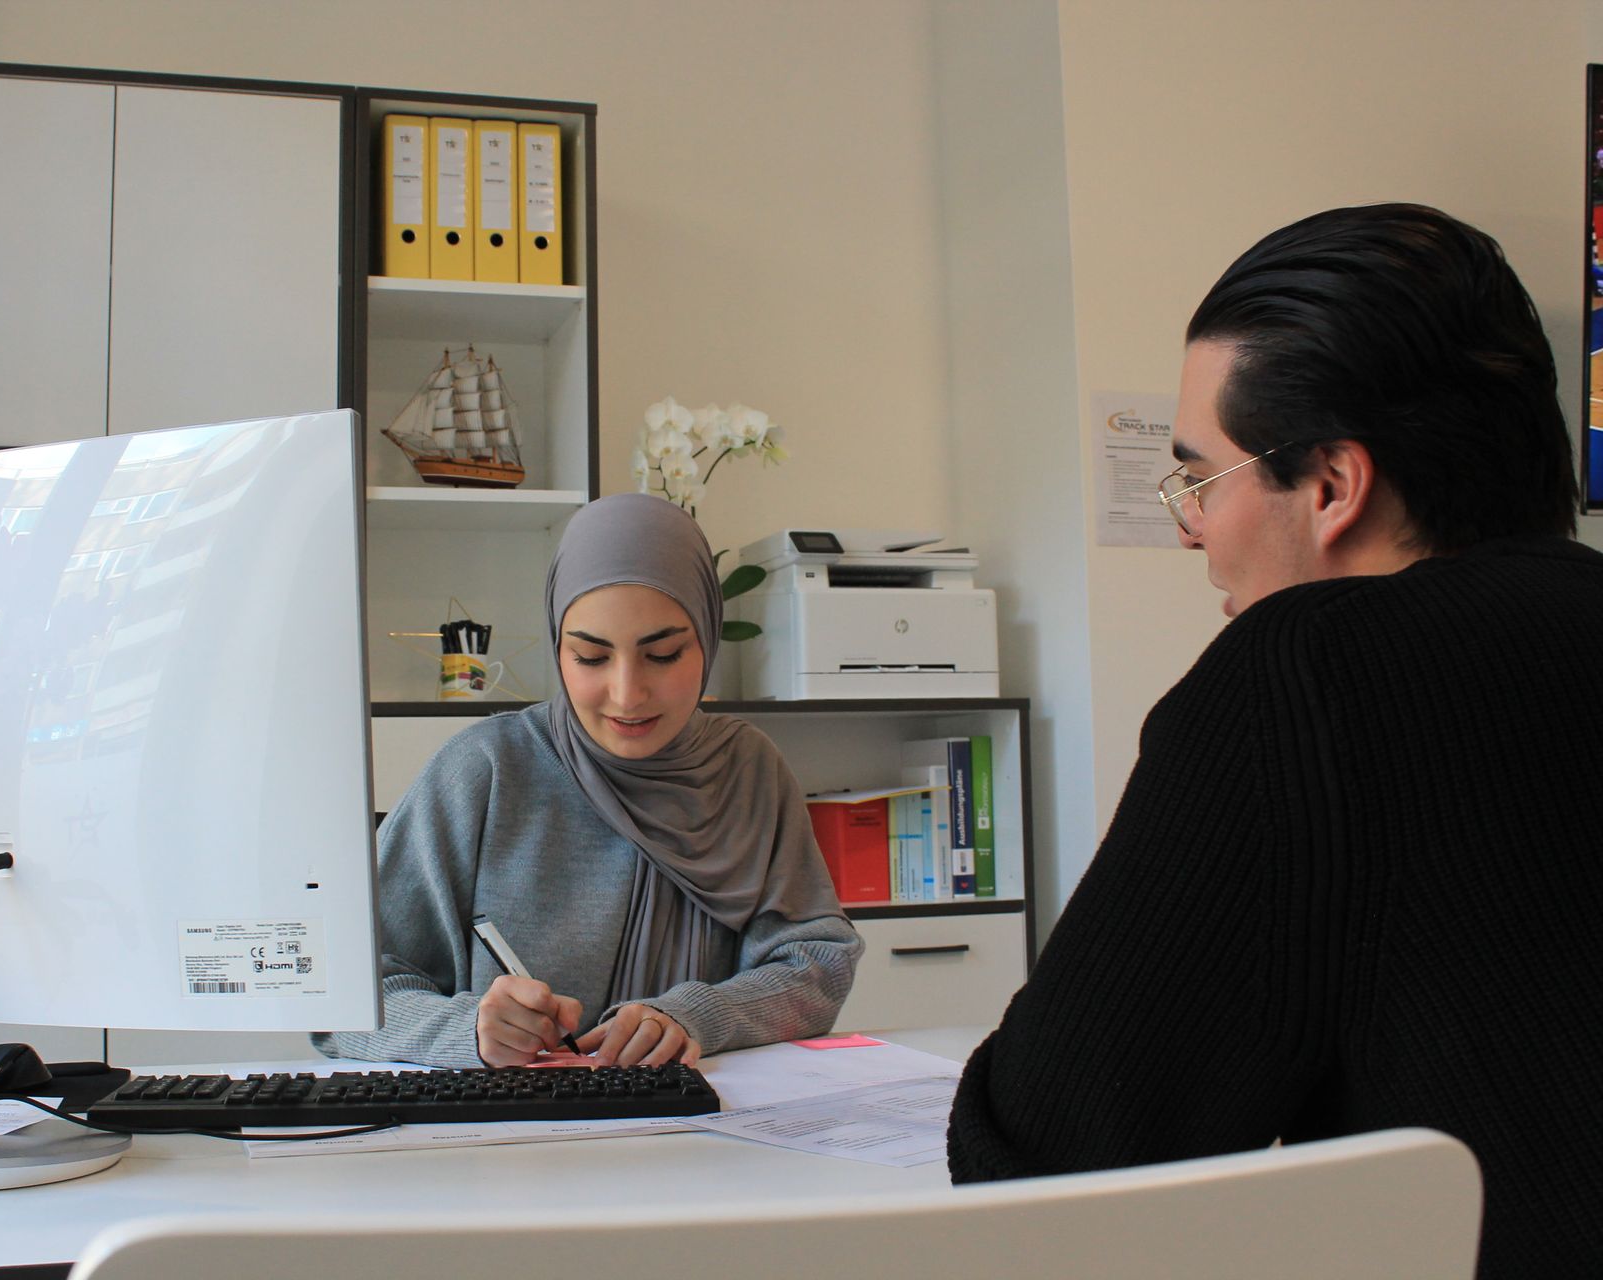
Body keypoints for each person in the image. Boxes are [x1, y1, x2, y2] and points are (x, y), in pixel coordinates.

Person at [945, 203, 1603, 1277]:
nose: (1188, 527)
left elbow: (1055, 1165)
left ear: (1333, 485)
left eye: (1201, 480)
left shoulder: (1307, 671)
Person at [319, 492, 862, 1070]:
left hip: (706, 1117)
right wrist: (468, 1030)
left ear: (706, 638)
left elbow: (816, 964)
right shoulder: (485, 770)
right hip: (510, 1125)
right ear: (558, 648)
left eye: (663, 654)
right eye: (590, 657)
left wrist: (698, 1016)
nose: (627, 695)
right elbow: (340, 992)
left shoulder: (747, 770)